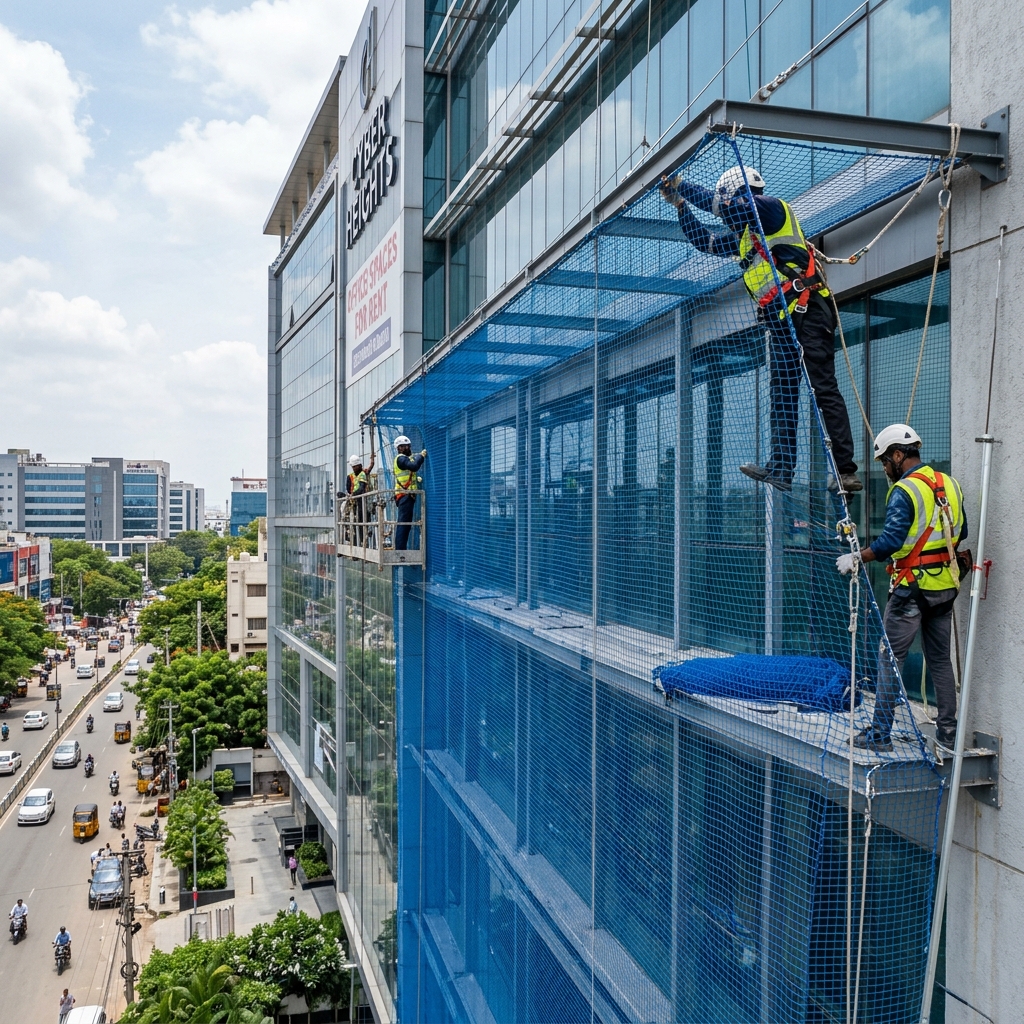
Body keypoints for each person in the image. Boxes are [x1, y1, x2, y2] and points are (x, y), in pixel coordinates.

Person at [661, 166, 860, 495]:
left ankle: (844, 470)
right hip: (780, 320)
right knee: (781, 395)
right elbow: (706, 242)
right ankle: (781, 467)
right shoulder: (745, 237)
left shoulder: (771, 208)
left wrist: (681, 184)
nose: (726, 208)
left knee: (822, 387)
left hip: (807, 309)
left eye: (728, 200)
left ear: (739, 192)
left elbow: (724, 208)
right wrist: (681, 206)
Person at [837, 424, 966, 751]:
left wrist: (857, 557)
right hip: (945, 588)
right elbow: (960, 533)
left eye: (885, 461)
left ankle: (879, 734)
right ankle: (949, 734)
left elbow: (891, 542)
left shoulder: (905, 491)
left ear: (898, 454)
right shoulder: (949, 484)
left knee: (889, 658)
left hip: (912, 589)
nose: (884, 468)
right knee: (939, 660)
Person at [393, 435, 426, 550]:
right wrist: (420, 456)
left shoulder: (406, 458)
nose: (407, 448)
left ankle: (401, 548)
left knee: (406, 523)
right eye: (403, 446)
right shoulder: (400, 459)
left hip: (407, 495)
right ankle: (400, 550)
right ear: (398, 448)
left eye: (408, 446)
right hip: (404, 495)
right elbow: (414, 466)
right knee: (404, 522)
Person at [344, 452, 376, 545]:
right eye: (353, 467)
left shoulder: (363, 474)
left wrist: (372, 460)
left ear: (359, 465)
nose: (354, 468)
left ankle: (361, 540)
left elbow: (362, 488)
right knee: (354, 520)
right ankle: (355, 538)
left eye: (356, 466)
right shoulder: (350, 476)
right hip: (354, 501)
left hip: (361, 500)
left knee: (361, 520)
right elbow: (348, 488)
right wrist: (351, 495)